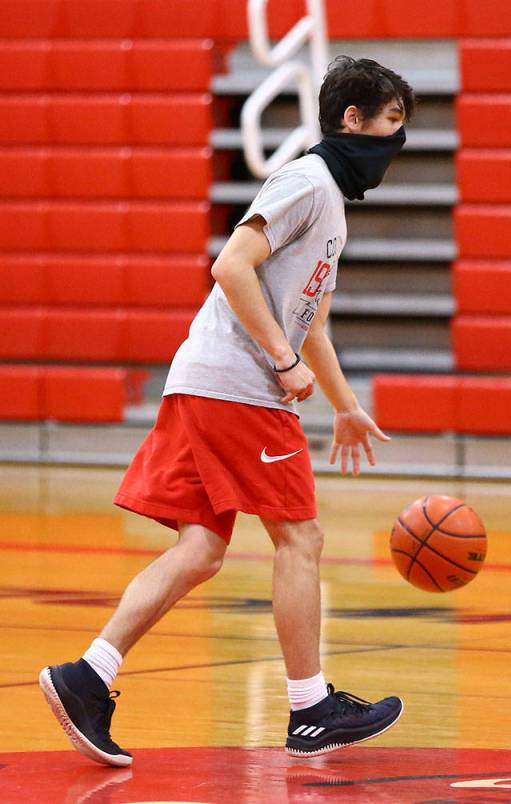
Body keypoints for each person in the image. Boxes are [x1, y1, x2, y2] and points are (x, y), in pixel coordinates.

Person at [39, 56, 416, 767]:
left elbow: (315, 326)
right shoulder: (306, 180)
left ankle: (87, 677)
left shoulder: (331, 204)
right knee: (299, 542)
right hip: (239, 387)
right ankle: (310, 708)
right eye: (392, 122)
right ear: (353, 120)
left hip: (204, 381)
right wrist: (280, 359)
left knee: (202, 550)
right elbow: (231, 266)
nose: (398, 140)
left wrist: (346, 405)